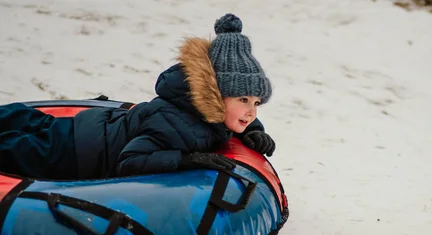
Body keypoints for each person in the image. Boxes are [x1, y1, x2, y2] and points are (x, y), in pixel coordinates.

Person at [0, 13, 275, 180]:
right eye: (243, 100)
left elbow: (229, 120)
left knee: (31, 123)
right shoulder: (179, 125)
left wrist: (252, 131)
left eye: (256, 103)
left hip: (89, 128)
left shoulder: (197, 107)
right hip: (75, 153)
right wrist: (186, 160)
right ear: (216, 95)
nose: (251, 112)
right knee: (15, 148)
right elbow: (129, 161)